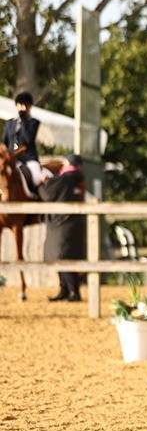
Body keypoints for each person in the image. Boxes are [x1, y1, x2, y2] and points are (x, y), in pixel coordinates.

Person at [37, 153, 86, 302]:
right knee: (66, 255)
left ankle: (73, 291)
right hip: (73, 223)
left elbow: (47, 194)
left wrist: (42, 183)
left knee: (62, 256)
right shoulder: (79, 179)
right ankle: (65, 290)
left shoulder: (65, 179)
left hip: (62, 224)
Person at [3, 91, 46, 187]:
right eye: (21, 105)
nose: (24, 108)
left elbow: (28, 139)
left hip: (29, 159)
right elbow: (4, 142)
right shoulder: (10, 123)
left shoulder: (34, 122)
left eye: (26, 105)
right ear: (17, 106)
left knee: (36, 180)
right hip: (12, 159)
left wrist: (23, 120)